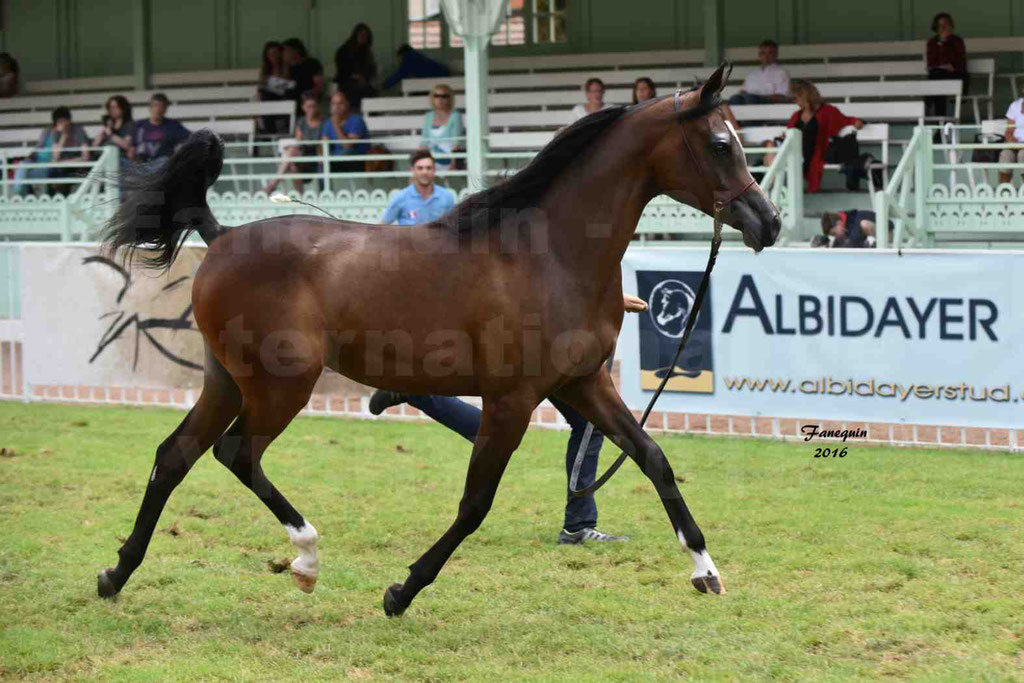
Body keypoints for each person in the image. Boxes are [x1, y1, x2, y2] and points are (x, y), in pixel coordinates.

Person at [367, 294, 650, 545]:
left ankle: (579, 525)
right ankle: (578, 525)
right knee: (508, 428)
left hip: (549, 332)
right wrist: (606, 297)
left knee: (582, 423)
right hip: (539, 334)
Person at [764, 80, 863, 193]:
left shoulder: (827, 111)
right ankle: (770, 186)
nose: (795, 101)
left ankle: (770, 188)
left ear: (806, 96)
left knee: (772, 154)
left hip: (811, 153)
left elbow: (845, 120)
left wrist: (856, 122)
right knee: (770, 144)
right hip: (794, 151)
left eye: (797, 98)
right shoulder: (797, 115)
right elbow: (789, 134)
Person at [13, 106, 89, 196]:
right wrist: (63, 136)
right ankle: (20, 194)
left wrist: (64, 136)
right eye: (59, 122)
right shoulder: (52, 132)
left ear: (69, 120)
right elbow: (51, 155)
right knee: (22, 168)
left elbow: (84, 156)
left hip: (56, 167)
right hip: (41, 163)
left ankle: (22, 195)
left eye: (64, 121)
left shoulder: (78, 131)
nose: (62, 124)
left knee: (26, 174)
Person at [263, 91, 324, 194]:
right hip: (303, 153)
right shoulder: (301, 122)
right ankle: (301, 196)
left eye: (313, 106)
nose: (311, 109)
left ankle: (272, 185)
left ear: (317, 107)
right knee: (292, 164)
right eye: (308, 106)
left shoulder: (323, 122)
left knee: (291, 154)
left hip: (316, 154)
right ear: (303, 107)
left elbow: (323, 142)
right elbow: (299, 142)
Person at [380, 150, 455, 225]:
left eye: (428, 168)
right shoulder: (401, 198)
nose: (424, 172)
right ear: (412, 170)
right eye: (420, 168)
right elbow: (381, 227)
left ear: (434, 170)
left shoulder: (446, 198)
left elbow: (455, 228)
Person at [926, 12, 967, 119]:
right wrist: (941, 43)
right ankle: (940, 124)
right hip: (939, 76)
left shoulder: (957, 41)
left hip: (955, 75)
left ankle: (927, 103)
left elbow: (960, 62)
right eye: (940, 26)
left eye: (946, 25)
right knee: (937, 83)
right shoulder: (932, 42)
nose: (944, 28)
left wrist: (944, 44)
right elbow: (931, 62)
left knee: (935, 82)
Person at [131, 93, 190, 163]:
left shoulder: (173, 125)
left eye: (161, 107)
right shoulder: (139, 125)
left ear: (165, 109)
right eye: (155, 106)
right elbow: (132, 147)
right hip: (142, 163)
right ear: (150, 107)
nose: (158, 109)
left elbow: (191, 138)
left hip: (163, 164)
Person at [728, 40, 789, 105]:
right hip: (750, 99)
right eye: (763, 53)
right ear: (759, 55)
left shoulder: (781, 73)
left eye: (770, 53)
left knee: (751, 98)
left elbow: (782, 96)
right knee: (734, 98)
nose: (766, 56)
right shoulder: (752, 74)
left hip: (768, 103)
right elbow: (743, 91)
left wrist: (759, 97)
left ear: (776, 54)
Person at [322, 89, 369, 173]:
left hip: (357, 159)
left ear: (347, 104)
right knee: (321, 162)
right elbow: (323, 143)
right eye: (334, 104)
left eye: (340, 103)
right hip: (335, 158)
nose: (337, 107)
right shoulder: (328, 122)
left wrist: (336, 125)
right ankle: (324, 186)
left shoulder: (356, 120)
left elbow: (347, 145)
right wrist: (320, 154)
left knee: (346, 152)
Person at [420, 84, 463, 170]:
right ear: (432, 98)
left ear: (450, 98)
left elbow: (456, 143)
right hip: (431, 159)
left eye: (444, 96)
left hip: (449, 158)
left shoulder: (455, 116)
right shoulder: (428, 116)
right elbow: (424, 141)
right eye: (436, 96)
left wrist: (453, 164)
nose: (440, 99)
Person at [257, 41, 296, 134]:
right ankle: (269, 132)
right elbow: (260, 89)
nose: (273, 56)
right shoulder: (265, 71)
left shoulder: (288, 68)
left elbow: (291, 86)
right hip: (269, 102)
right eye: (270, 54)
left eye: (275, 53)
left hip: (285, 99)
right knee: (264, 95)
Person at [334, 23, 378, 107]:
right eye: (361, 35)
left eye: (365, 36)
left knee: (371, 93)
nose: (363, 37)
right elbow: (342, 69)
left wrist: (367, 78)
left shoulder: (366, 52)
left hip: (363, 83)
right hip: (347, 81)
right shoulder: (344, 50)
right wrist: (355, 76)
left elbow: (371, 69)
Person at [382, 44, 450, 91]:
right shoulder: (416, 55)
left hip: (438, 78)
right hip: (442, 74)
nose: (399, 61)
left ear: (401, 55)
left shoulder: (408, 59)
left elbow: (399, 75)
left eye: (399, 58)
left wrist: (384, 85)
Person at [283, 38, 324, 107]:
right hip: (288, 103)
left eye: (286, 50)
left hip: (306, 101)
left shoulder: (311, 63)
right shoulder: (286, 68)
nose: (283, 54)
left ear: (295, 50)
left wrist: (308, 95)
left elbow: (319, 86)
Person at [92, 95, 135, 160]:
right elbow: (94, 146)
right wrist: (103, 132)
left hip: (119, 159)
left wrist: (111, 135)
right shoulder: (107, 123)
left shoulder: (129, 125)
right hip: (103, 157)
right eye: (110, 107)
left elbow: (126, 145)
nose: (112, 110)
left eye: (115, 107)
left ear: (123, 108)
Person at [998, 80, 1024, 185]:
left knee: (1023, 155)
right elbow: (1009, 131)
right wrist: (1011, 140)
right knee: (1005, 155)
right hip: (1014, 144)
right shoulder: (1015, 105)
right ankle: (1004, 192)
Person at [817, 211, 885, 248]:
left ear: (839, 223)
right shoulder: (846, 224)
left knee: (864, 224)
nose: (836, 236)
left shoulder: (854, 220)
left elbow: (854, 243)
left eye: (834, 233)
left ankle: (880, 246)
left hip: (887, 232)